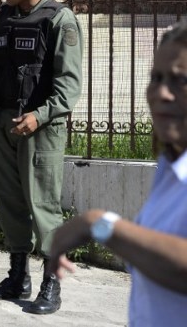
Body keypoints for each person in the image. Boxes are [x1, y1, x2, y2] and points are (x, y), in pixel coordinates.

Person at [48, 21, 187, 326]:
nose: (162, 92)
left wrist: (100, 225)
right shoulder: (172, 164)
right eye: (156, 77)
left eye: (180, 80)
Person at [0, 0, 83, 314]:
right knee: (9, 203)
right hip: (3, 122)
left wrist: (39, 116)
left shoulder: (60, 20)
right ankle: (17, 276)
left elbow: (68, 86)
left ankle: (51, 284)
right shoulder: (4, 15)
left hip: (40, 128)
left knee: (43, 205)